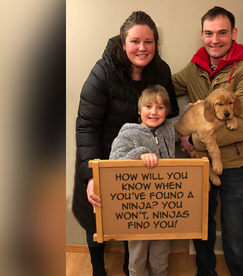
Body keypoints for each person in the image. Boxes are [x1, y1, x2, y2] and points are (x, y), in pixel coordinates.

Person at [72, 11, 179, 276]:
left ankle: (128, 266)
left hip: (145, 163)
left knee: (133, 213)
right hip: (102, 158)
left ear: (156, 43)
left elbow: (172, 113)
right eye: (135, 41)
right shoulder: (102, 72)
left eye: (149, 41)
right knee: (95, 218)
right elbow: (87, 126)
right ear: (123, 43)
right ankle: (98, 268)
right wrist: (91, 175)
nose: (142, 47)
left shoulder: (161, 71)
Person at [172, 6, 243, 276]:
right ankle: (205, 272)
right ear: (202, 34)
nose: (215, 39)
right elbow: (164, 87)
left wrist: (193, 141)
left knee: (235, 231)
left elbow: (242, 127)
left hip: (235, 163)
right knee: (201, 226)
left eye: (222, 33)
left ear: (233, 33)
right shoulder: (194, 68)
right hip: (200, 166)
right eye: (209, 33)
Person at [109, 85, 191, 276]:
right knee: (137, 255)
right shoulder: (129, 133)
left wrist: (193, 108)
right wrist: (140, 154)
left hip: (164, 206)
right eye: (148, 106)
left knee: (161, 252)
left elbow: (185, 120)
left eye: (160, 107)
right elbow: (114, 163)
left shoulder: (169, 128)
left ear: (166, 112)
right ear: (139, 111)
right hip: (137, 208)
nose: (154, 112)